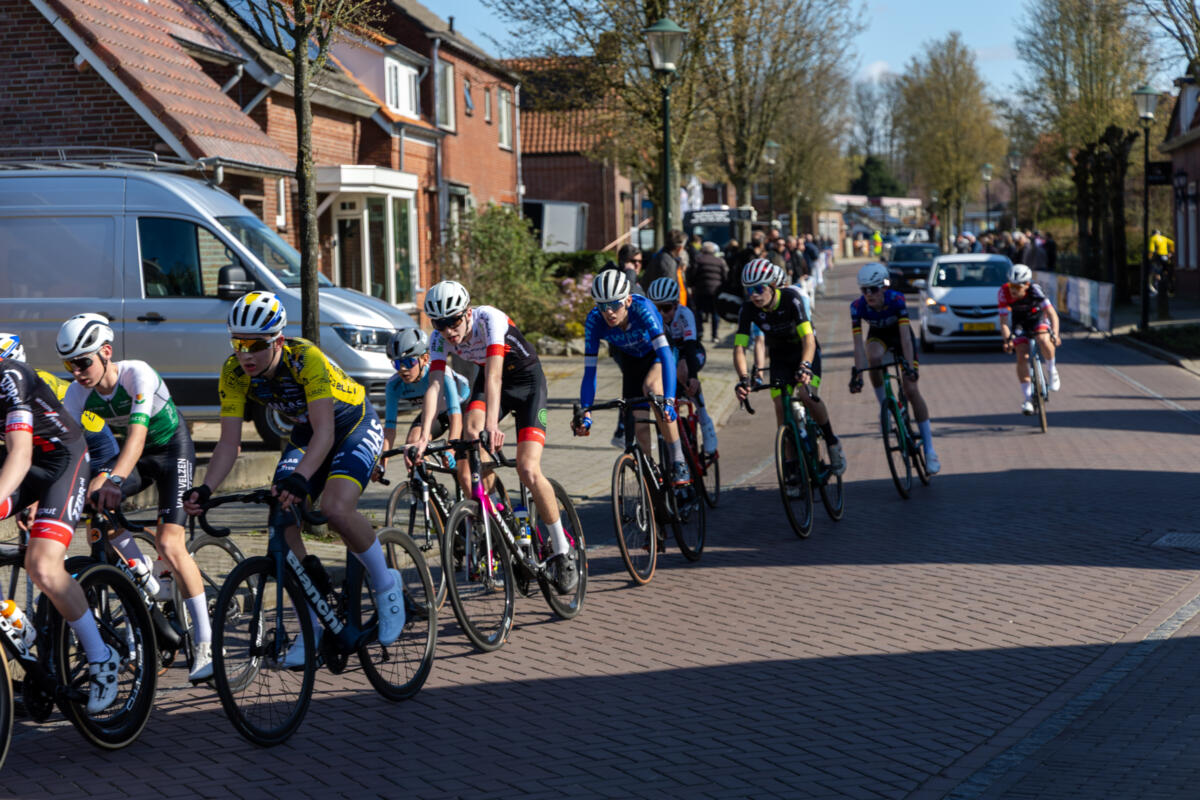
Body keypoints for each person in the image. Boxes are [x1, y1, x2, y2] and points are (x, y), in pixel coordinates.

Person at [183, 292, 404, 667]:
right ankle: (314, 622)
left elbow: (326, 434)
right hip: (307, 435)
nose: (245, 354)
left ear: (279, 341)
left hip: (351, 425)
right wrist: (206, 488)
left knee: (335, 507)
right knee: (282, 517)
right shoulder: (234, 372)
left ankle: (386, 584)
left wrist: (300, 478)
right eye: (238, 343)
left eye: (255, 345)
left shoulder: (306, 358)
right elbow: (229, 444)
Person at [57, 313, 215, 682]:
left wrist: (113, 478)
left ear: (106, 353)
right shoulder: (78, 391)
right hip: (137, 458)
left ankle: (206, 642)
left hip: (171, 449)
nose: (77, 372)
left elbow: (137, 437)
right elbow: (63, 448)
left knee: (170, 542)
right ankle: (147, 578)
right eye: (70, 364)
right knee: (97, 504)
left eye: (83, 362)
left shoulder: (136, 374)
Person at [413, 281, 579, 594]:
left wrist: (493, 424)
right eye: (440, 323)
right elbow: (433, 386)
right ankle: (502, 519)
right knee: (469, 443)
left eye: (453, 321)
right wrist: (422, 437)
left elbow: (494, 375)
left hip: (527, 383)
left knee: (527, 468)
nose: (448, 331)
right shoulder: (438, 339)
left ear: (468, 312)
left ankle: (562, 549)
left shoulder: (491, 320)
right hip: (490, 387)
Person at [0, 354, 118, 712]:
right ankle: (11, 615)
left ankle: (103, 659)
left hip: (61, 462)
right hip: (26, 462)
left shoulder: (9, 376)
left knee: (44, 567)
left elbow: (20, 455)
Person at [733, 259, 847, 487]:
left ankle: (832, 441)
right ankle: (792, 467)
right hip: (780, 357)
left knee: (806, 395)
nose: (754, 295)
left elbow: (808, 338)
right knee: (780, 408)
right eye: (749, 290)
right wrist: (743, 379)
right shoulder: (748, 309)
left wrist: (805, 365)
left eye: (758, 289)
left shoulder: (791, 299)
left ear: (773, 285)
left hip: (805, 353)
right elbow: (739, 348)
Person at [573, 270, 692, 486]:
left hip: (658, 354)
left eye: (615, 304)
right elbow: (590, 371)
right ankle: (651, 475)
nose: (608, 312)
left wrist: (670, 400)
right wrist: (586, 411)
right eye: (602, 305)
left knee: (652, 389)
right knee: (638, 422)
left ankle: (678, 460)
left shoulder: (643, 309)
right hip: (632, 360)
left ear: (627, 300)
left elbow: (665, 355)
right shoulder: (594, 321)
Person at [848, 264, 941, 474]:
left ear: (884, 287)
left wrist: (910, 368)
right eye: (864, 290)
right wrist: (857, 372)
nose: (868, 295)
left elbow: (906, 338)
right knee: (873, 355)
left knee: (911, 390)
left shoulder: (896, 300)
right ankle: (885, 408)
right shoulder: (857, 307)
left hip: (900, 338)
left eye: (873, 289)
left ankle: (930, 450)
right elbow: (857, 344)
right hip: (878, 337)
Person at [379, 327, 469, 478]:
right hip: (436, 413)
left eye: (408, 362)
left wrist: (451, 449)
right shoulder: (393, 385)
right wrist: (382, 465)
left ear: (425, 359)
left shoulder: (441, 374)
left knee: (464, 474)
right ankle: (429, 491)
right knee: (412, 446)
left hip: (461, 409)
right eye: (396, 363)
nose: (402, 369)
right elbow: (389, 429)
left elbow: (455, 416)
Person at [647, 276, 718, 455]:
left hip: (691, 352)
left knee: (683, 369)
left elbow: (690, 347)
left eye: (667, 308)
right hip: (669, 353)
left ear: (676, 304)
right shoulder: (652, 317)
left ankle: (704, 418)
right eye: (657, 308)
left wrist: (693, 376)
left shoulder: (685, 314)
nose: (662, 314)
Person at [998, 264, 1061, 413]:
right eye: (1011, 285)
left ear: (1027, 285)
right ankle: (1027, 399)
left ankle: (1052, 370)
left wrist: (1056, 334)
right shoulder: (1003, 292)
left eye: (1017, 287)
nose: (1013, 290)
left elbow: (1052, 314)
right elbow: (1004, 322)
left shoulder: (1035, 290)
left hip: (1036, 318)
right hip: (1019, 321)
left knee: (1044, 340)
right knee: (1021, 355)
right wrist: (1007, 340)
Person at [687, 241, 729, 343]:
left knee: (699, 312)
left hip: (701, 290)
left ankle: (700, 332)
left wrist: (691, 284)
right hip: (715, 291)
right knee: (715, 314)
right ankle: (714, 335)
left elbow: (692, 274)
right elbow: (725, 276)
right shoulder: (720, 261)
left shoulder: (698, 260)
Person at [1148, 229, 1175, 296]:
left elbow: (1151, 250)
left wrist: (1149, 258)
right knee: (1165, 272)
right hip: (1165, 256)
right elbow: (1172, 243)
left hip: (1158, 257)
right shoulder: (1164, 238)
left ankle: (1158, 290)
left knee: (1157, 272)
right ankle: (1167, 288)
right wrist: (1171, 253)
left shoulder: (1152, 238)